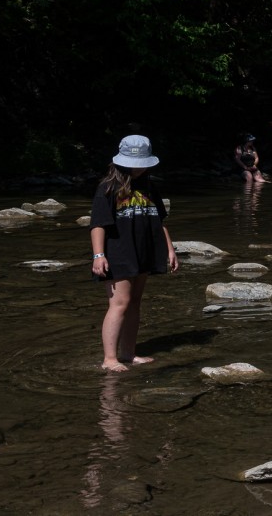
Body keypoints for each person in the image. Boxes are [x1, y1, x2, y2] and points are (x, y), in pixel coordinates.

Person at [90, 135, 178, 372]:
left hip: (144, 249)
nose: (140, 168)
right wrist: (98, 256)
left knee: (135, 302)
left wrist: (170, 249)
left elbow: (160, 220)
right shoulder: (108, 187)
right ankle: (109, 359)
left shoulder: (149, 185)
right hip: (118, 251)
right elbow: (98, 224)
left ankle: (128, 353)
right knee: (120, 303)